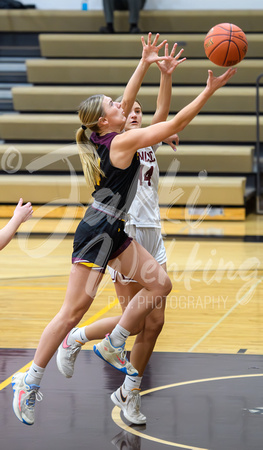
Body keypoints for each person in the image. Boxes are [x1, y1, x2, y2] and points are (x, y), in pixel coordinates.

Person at [11, 32, 237, 427]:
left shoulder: (106, 134)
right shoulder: (121, 143)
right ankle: (29, 381)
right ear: (105, 119)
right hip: (98, 231)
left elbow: (129, 100)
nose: (124, 104)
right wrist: (209, 91)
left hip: (115, 230)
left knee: (161, 285)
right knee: (72, 312)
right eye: (115, 105)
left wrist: (146, 63)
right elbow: (176, 121)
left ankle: (115, 341)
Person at [56, 41, 184, 426]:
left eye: (137, 111)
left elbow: (162, 113)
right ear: (117, 119)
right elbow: (154, 115)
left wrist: (165, 75)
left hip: (154, 233)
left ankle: (130, 391)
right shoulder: (119, 147)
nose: (134, 112)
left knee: (155, 323)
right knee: (137, 319)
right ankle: (78, 338)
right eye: (128, 110)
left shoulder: (147, 144)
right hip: (125, 232)